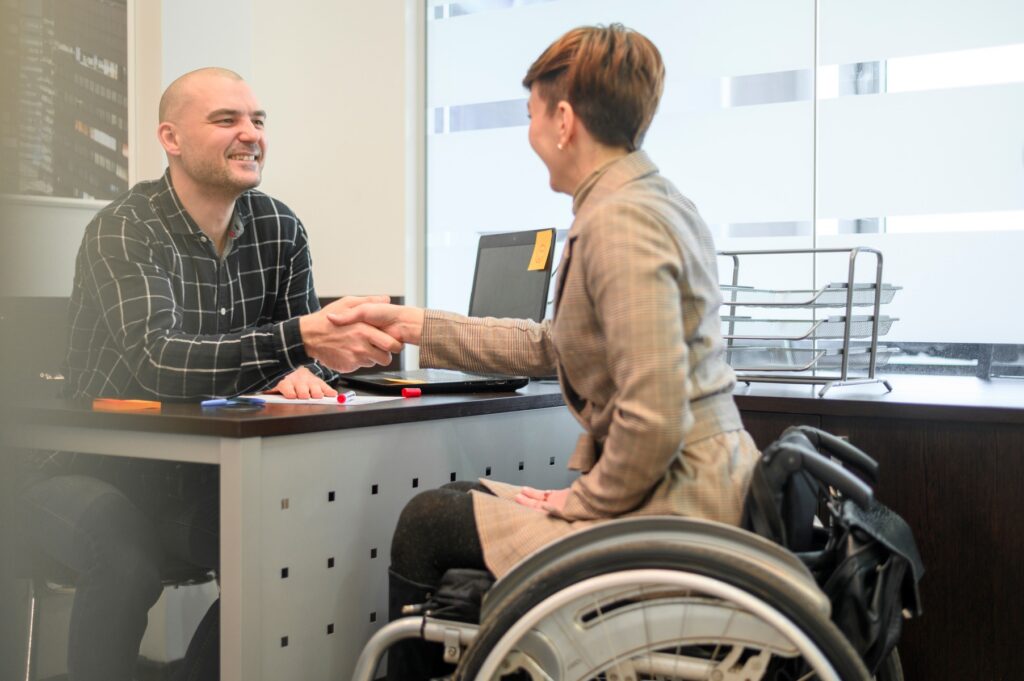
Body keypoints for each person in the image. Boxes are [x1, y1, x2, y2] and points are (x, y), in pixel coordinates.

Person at [330, 24, 761, 679]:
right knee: (458, 503)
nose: (529, 134)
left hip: (674, 505)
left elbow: (656, 416)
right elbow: (551, 345)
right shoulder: (645, 199)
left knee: (430, 521)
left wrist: (578, 503)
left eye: (530, 115)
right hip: (680, 487)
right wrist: (414, 323)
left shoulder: (621, 220)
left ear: (564, 120)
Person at [13, 67, 401, 681]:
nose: (250, 134)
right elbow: (160, 361)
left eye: (258, 121)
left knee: (292, 549)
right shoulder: (125, 229)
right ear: (171, 138)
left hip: (194, 476)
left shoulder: (280, 228)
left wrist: (313, 361)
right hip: (84, 467)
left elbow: (305, 357)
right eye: (227, 120)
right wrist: (297, 341)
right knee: (124, 559)